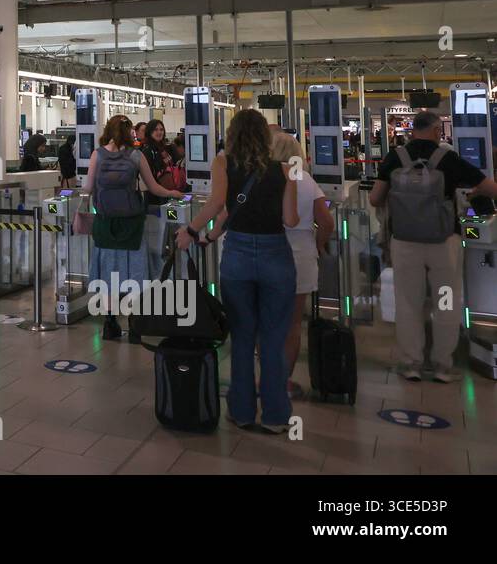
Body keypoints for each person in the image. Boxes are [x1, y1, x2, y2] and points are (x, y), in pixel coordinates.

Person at [176, 109, 299, 433]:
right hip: (276, 256)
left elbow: (218, 203)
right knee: (273, 340)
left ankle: (242, 411)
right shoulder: (286, 170)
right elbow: (290, 221)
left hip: (239, 256)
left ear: (233, 135)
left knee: (242, 338)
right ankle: (275, 417)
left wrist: (191, 231)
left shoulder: (222, 164)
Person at [369, 110, 497, 382]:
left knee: (408, 303)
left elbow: (375, 199)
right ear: (437, 130)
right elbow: (489, 187)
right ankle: (442, 365)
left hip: (404, 242)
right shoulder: (448, 158)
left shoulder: (395, 157)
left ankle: (411, 363)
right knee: (446, 303)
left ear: (412, 130)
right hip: (443, 242)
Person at [80, 116, 180, 342]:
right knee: (135, 275)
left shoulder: (97, 154)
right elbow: (154, 187)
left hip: (105, 224)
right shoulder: (136, 155)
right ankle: (135, 326)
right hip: (132, 223)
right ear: (130, 133)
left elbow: (87, 187)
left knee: (108, 275)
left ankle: (109, 323)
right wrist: (173, 193)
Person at [271, 131, 334, 399]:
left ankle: (269, 379)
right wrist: (318, 244)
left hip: (270, 253)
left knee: (268, 322)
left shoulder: (267, 178)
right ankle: (283, 382)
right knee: (293, 324)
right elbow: (327, 222)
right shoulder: (306, 180)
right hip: (302, 255)